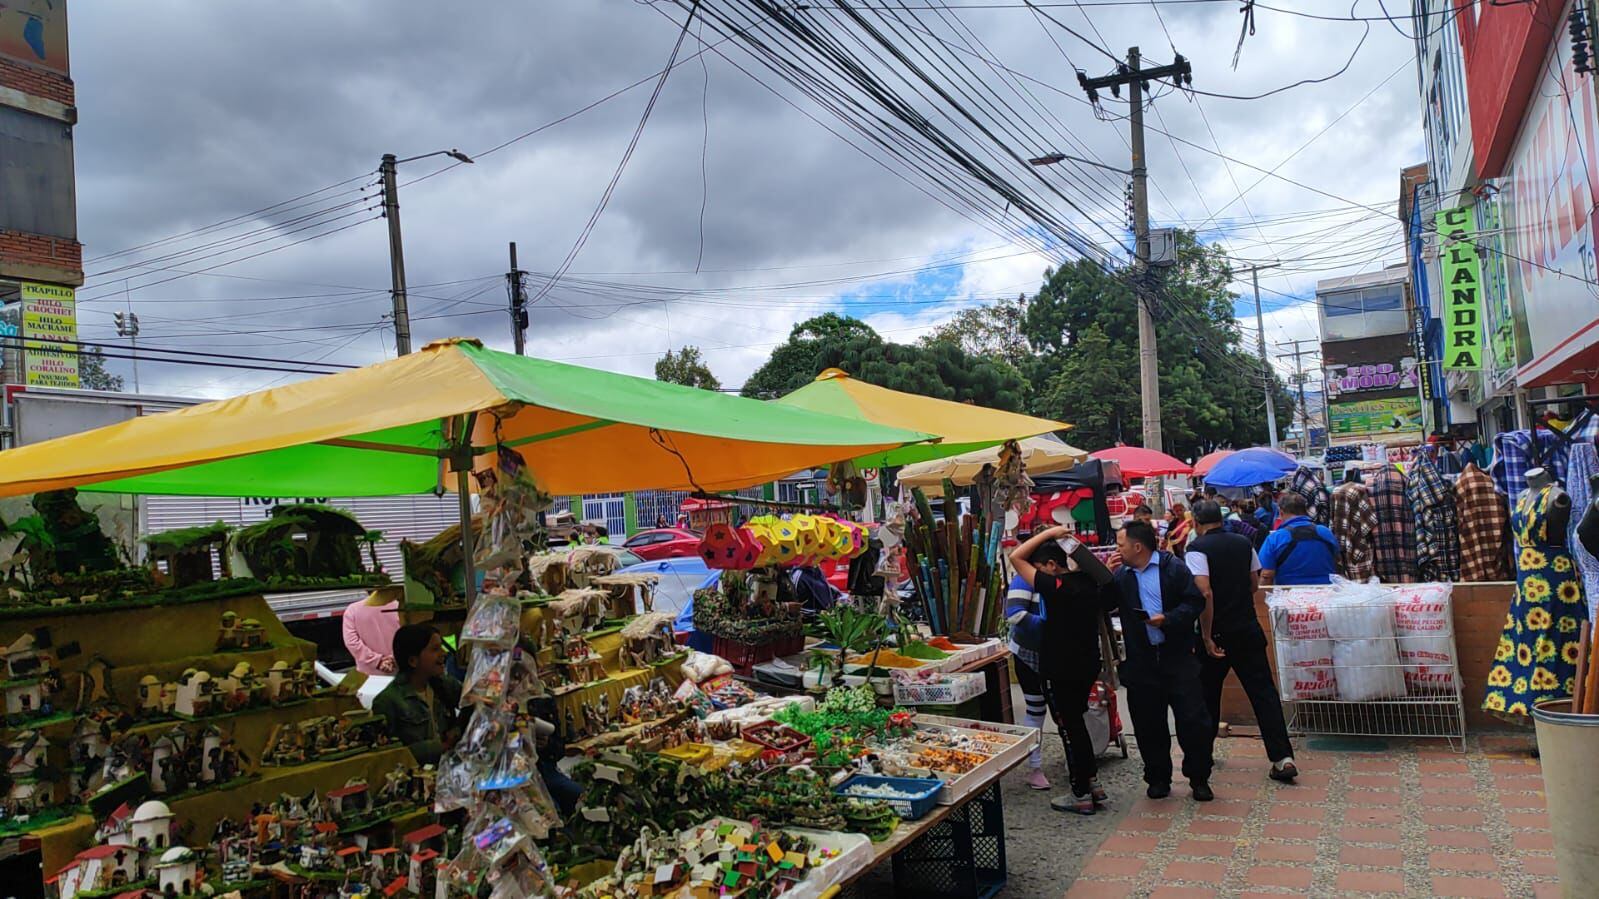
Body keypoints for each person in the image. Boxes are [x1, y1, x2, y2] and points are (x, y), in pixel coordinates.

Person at [1187, 501, 1298, 784]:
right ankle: (1282, 757)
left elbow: (1205, 592)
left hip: (1219, 633)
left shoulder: (1197, 549)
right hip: (1247, 628)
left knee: (1207, 696)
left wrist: (1207, 635)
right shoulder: (1242, 542)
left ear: (1197, 522)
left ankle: (1203, 755)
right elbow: (1254, 583)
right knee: (1263, 694)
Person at [1008, 526, 1114, 814]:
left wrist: (1048, 533)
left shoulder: (1056, 587)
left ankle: (1080, 793)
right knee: (1078, 722)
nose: (1038, 573)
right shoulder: (1089, 583)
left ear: (1052, 566)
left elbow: (1016, 557)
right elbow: (1107, 578)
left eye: (1041, 568)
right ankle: (1093, 784)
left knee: (1071, 729)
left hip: (1061, 668)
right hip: (1088, 664)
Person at [1107, 520, 1215, 801]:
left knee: (1193, 720)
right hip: (1141, 662)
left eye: (1121, 545)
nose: (1118, 550)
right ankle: (1157, 777)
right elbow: (1104, 604)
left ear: (1137, 546)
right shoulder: (1123, 575)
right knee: (1147, 723)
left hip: (1177, 657)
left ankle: (1199, 777)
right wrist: (1106, 574)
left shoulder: (1174, 568)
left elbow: (1195, 602)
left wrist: (1167, 620)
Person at [372, 625, 464, 765]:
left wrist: (457, 730)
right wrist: (440, 746)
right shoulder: (388, 701)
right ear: (413, 661)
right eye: (435, 649)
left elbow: (472, 703)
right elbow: (389, 754)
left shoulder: (445, 685)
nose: (443, 653)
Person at [1259, 493, 1341, 586]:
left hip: (1289, 595)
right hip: (1327, 593)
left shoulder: (1275, 538)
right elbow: (1337, 561)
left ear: (1281, 513)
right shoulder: (1326, 532)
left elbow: (1267, 575)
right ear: (1305, 511)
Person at [341, 585, 402, 676]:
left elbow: (352, 643)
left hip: (367, 676)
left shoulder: (352, 610)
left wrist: (378, 661)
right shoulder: (398, 606)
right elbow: (407, 637)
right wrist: (393, 659)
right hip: (399, 669)